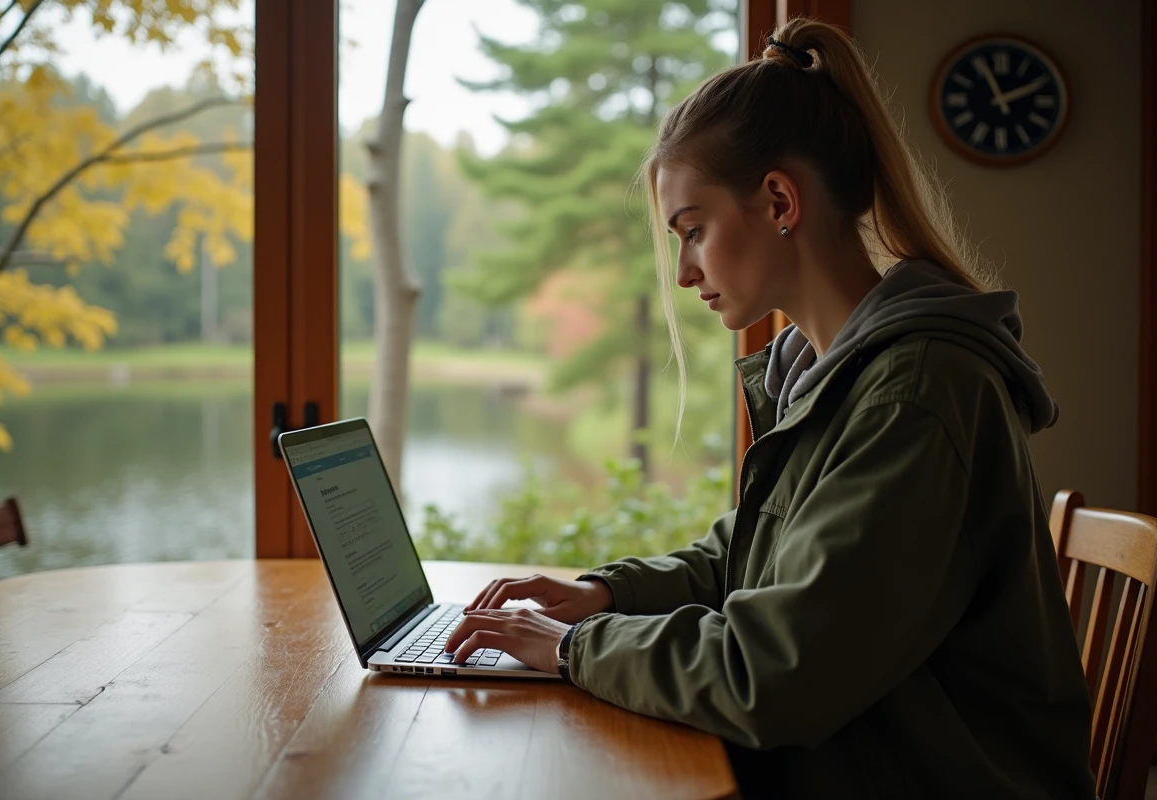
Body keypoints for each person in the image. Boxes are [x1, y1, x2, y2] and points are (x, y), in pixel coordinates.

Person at [443, 17, 1094, 799]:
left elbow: (775, 674)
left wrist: (576, 647)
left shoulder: (917, 391)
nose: (685, 271)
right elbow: (758, 554)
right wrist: (607, 594)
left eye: (694, 231)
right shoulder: (827, 369)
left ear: (780, 200)